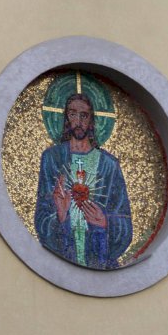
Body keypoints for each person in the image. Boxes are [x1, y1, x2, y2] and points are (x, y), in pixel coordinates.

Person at [34, 93, 132, 270]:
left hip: (99, 261)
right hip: (60, 263)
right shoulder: (52, 158)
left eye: (84, 115)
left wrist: (104, 223)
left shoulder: (109, 165)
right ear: (66, 118)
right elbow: (42, 216)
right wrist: (60, 215)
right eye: (73, 114)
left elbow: (124, 220)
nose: (78, 121)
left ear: (92, 120)